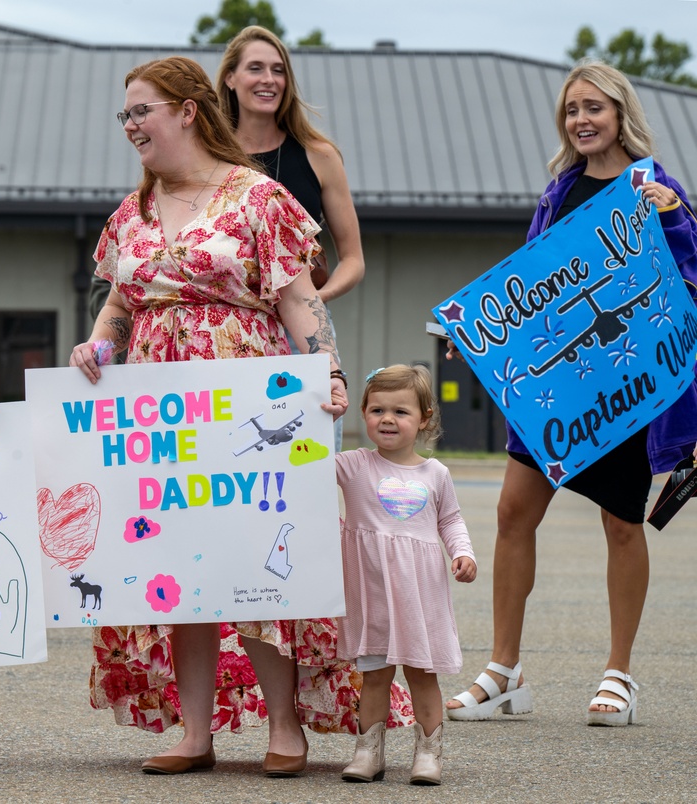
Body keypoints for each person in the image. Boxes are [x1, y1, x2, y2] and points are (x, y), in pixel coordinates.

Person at [70, 55, 413, 777]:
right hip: (159, 409)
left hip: (246, 395)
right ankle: (196, 732)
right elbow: (118, 306)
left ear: (188, 110)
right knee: (180, 564)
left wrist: (332, 372)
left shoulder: (257, 197)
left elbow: (299, 299)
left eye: (142, 111)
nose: (130, 125)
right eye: (124, 115)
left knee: (256, 558)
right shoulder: (130, 213)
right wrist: (97, 345)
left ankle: (285, 726)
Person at [445, 60, 697, 727]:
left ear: (621, 115)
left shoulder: (654, 186)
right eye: (572, 110)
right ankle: (504, 669)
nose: (581, 120)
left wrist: (672, 219)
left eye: (594, 108)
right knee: (510, 515)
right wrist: (475, 334)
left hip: (625, 389)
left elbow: (687, 277)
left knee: (622, 523)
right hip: (555, 392)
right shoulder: (559, 191)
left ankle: (619, 673)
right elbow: (528, 282)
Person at [216, 25, 366, 452]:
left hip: (303, 333)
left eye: (278, 70)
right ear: (230, 78)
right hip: (229, 332)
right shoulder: (208, 158)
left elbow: (353, 259)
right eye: (255, 68)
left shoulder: (318, 155)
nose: (269, 79)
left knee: (309, 458)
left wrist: (314, 303)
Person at [335, 365, 475, 786]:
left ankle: (428, 754)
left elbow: (450, 520)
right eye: (377, 409)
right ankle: (368, 752)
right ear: (362, 413)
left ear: (425, 418)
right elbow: (304, 464)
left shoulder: (436, 474)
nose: (388, 419)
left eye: (401, 411)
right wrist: (327, 415)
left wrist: (463, 552)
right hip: (372, 590)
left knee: (421, 672)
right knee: (374, 673)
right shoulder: (352, 465)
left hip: (420, 591)